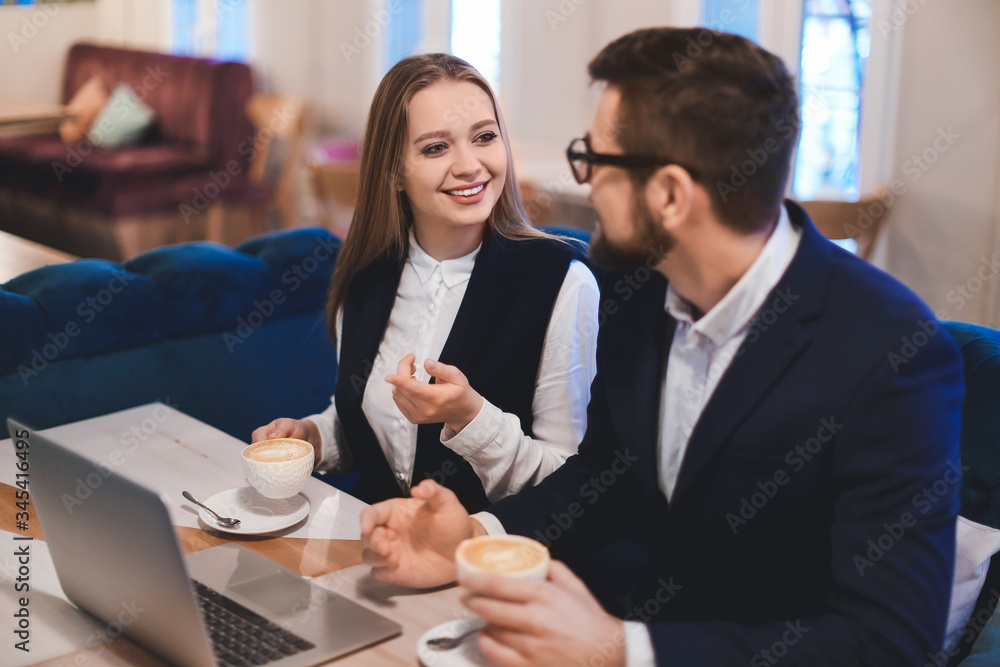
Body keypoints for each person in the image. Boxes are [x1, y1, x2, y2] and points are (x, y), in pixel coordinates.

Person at [359, 28, 964, 666]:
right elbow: (602, 481)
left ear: (670, 195)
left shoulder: (892, 353)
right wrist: (477, 538)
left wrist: (624, 649)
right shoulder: (637, 288)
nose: (585, 183)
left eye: (595, 161)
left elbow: (890, 643)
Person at [252, 54, 599, 513]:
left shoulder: (563, 284)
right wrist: (315, 437)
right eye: (436, 147)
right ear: (394, 170)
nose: (470, 165)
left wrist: (470, 417)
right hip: (373, 543)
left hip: (483, 559)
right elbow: (367, 422)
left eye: (485, 137)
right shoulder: (365, 272)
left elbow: (567, 485)